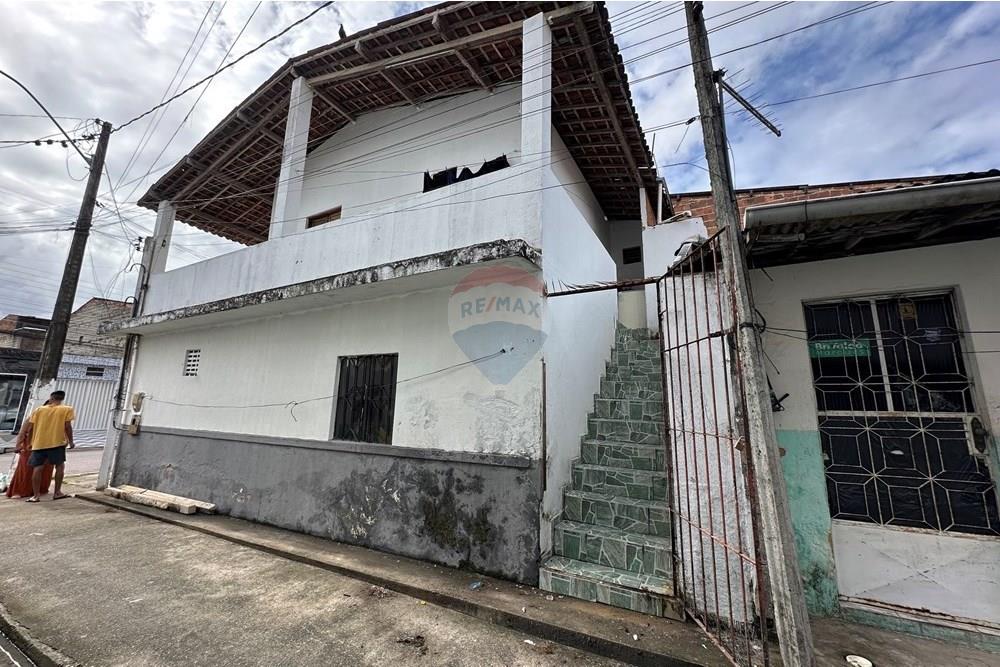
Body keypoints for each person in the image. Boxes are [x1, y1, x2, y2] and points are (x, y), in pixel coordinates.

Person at [20, 390, 75, 503]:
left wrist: (30, 442)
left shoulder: (39, 410)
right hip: (57, 443)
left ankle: (35, 496)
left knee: (38, 468)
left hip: (39, 443)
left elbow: (31, 427)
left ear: (51, 398)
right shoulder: (67, 409)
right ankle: (57, 493)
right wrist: (71, 441)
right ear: (62, 399)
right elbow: (67, 427)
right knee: (59, 466)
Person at [4, 400, 54, 499]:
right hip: (30, 447)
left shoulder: (54, 420)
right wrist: (18, 445)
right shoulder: (33, 417)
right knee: (27, 470)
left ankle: (38, 490)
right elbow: (22, 433)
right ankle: (22, 490)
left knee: (45, 469)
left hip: (47, 447)